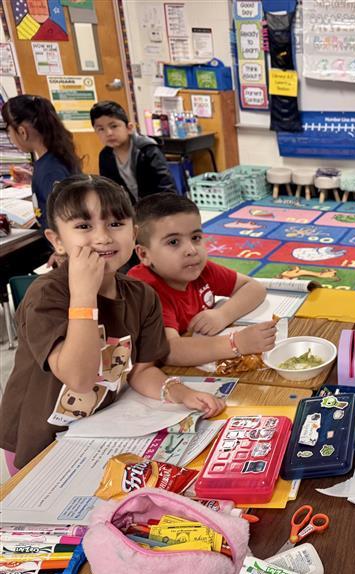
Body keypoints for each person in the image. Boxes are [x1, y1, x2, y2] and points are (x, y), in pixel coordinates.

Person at [0, 175, 224, 474]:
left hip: (97, 431)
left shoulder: (140, 294)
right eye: (83, 226)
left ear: (134, 233)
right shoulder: (47, 295)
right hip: (39, 442)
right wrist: (83, 295)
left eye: (116, 224)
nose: (103, 237)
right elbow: (79, 379)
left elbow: (142, 370)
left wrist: (179, 392)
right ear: (57, 241)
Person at [128, 193, 277, 366]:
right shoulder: (146, 289)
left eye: (195, 237)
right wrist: (237, 343)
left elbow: (254, 288)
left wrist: (223, 314)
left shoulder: (199, 269)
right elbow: (170, 351)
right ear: (144, 254)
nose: (191, 250)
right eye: (174, 242)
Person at [1, 95, 82, 269]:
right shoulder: (51, 161)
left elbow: (68, 214)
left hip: (68, 255)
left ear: (22, 131)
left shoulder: (50, 169)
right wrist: (33, 179)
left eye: (9, 131)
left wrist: (63, 251)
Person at [90, 100, 176, 203]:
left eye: (114, 126)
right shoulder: (105, 156)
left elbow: (166, 187)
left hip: (157, 209)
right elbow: (109, 192)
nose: (108, 133)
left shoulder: (147, 149)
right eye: (101, 129)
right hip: (129, 213)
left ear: (129, 128)